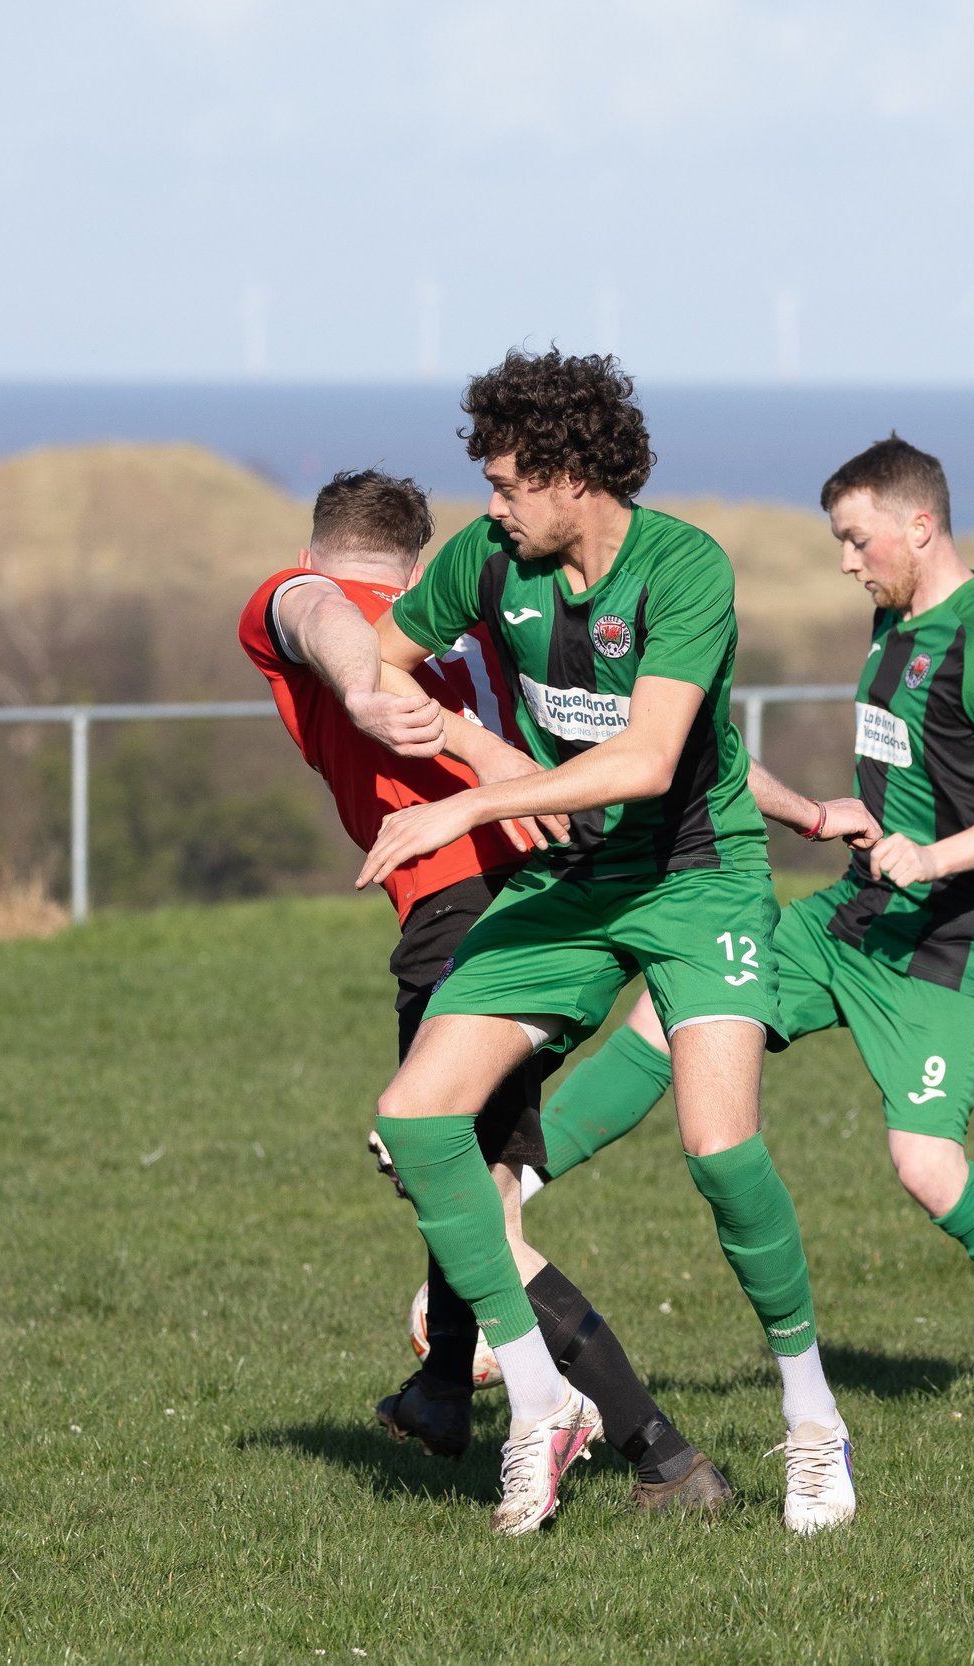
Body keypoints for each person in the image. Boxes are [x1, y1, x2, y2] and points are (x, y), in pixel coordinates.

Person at [346, 349, 856, 1536]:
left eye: (510, 483)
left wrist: (463, 801)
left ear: (574, 475)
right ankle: (537, 1399)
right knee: (416, 1121)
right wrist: (462, 742)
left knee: (721, 1151)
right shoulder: (488, 561)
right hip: (574, 879)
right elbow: (381, 659)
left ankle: (812, 1420)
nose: (489, 506)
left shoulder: (685, 568)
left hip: (694, 876)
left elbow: (645, 762)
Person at [535, 434, 974, 1427]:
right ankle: (505, 1179)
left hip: (946, 945)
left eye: (857, 540)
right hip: (850, 917)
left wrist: (932, 858)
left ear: (917, 526)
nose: (846, 562)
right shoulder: (895, 624)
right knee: (676, 1012)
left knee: (924, 1165)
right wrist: (822, 812)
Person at [237, 468, 730, 1513]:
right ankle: (443, 1391)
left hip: (463, 912)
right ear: (420, 565)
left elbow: (312, 610)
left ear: (316, 544)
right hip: (558, 902)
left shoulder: (313, 601)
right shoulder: (483, 620)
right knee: (459, 1173)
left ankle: (653, 1448)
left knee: (470, 1193)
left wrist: (367, 684)